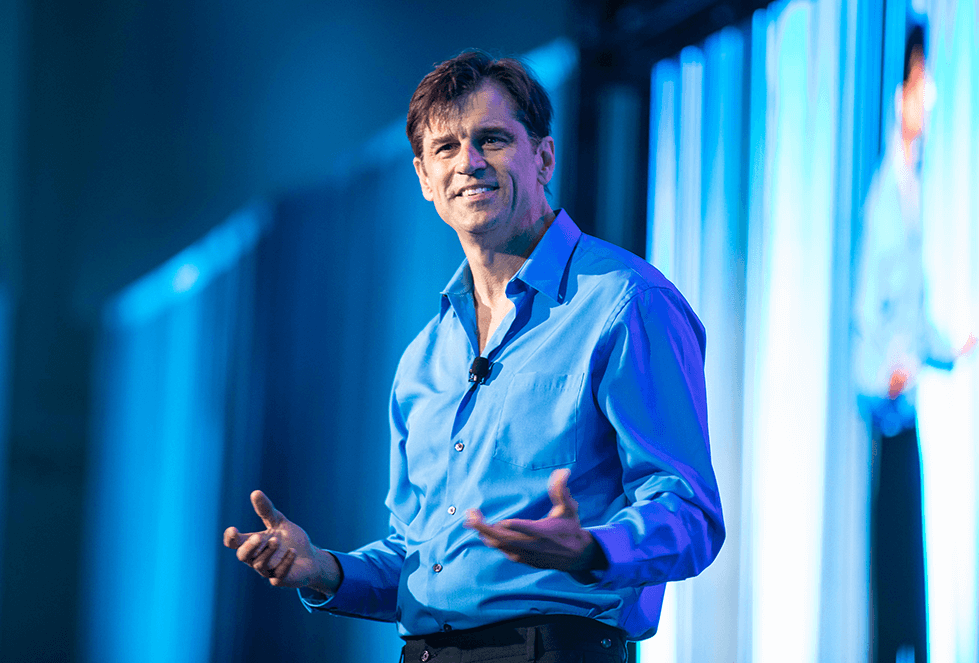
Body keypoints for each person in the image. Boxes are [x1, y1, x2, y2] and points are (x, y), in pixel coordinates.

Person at [224, 50, 724, 662]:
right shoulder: (423, 359)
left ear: (543, 158)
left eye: (491, 139)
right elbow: (419, 550)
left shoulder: (625, 303)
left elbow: (689, 512)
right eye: (446, 148)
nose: (468, 163)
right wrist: (323, 570)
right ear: (424, 178)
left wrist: (593, 548)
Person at [853, 24, 975, 663]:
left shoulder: (912, 186)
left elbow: (912, 309)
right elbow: (868, 303)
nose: (928, 104)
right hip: (886, 402)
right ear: (900, 93)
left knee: (907, 539)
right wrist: (886, 371)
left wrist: (949, 348)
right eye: (921, 88)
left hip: (903, 397)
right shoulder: (885, 192)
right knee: (891, 541)